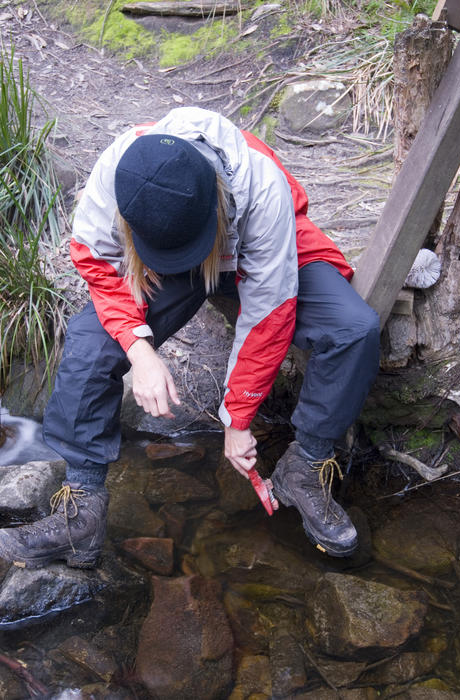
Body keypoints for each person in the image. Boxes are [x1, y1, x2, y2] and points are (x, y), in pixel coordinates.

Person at [0, 107, 380, 569]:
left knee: (354, 330)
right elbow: (98, 266)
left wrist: (237, 418)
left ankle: (305, 467)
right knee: (90, 342)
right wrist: (140, 350)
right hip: (165, 263)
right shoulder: (117, 178)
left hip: (256, 246)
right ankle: (80, 515)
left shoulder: (259, 187)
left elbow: (269, 313)